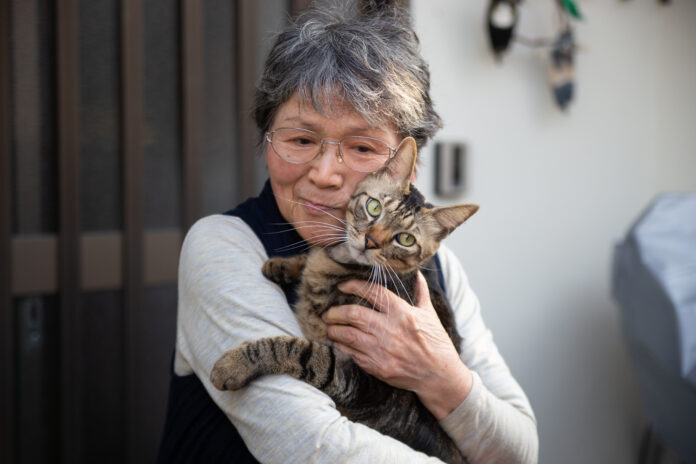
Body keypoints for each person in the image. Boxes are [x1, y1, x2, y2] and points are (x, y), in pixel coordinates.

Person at [158, 2, 538, 463]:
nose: (324, 173)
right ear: (266, 141)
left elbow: (520, 449)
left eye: (360, 147)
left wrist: (441, 375)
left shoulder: (440, 267)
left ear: (406, 170)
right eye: (300, 140)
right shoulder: (223, 245)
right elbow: (311, 447)